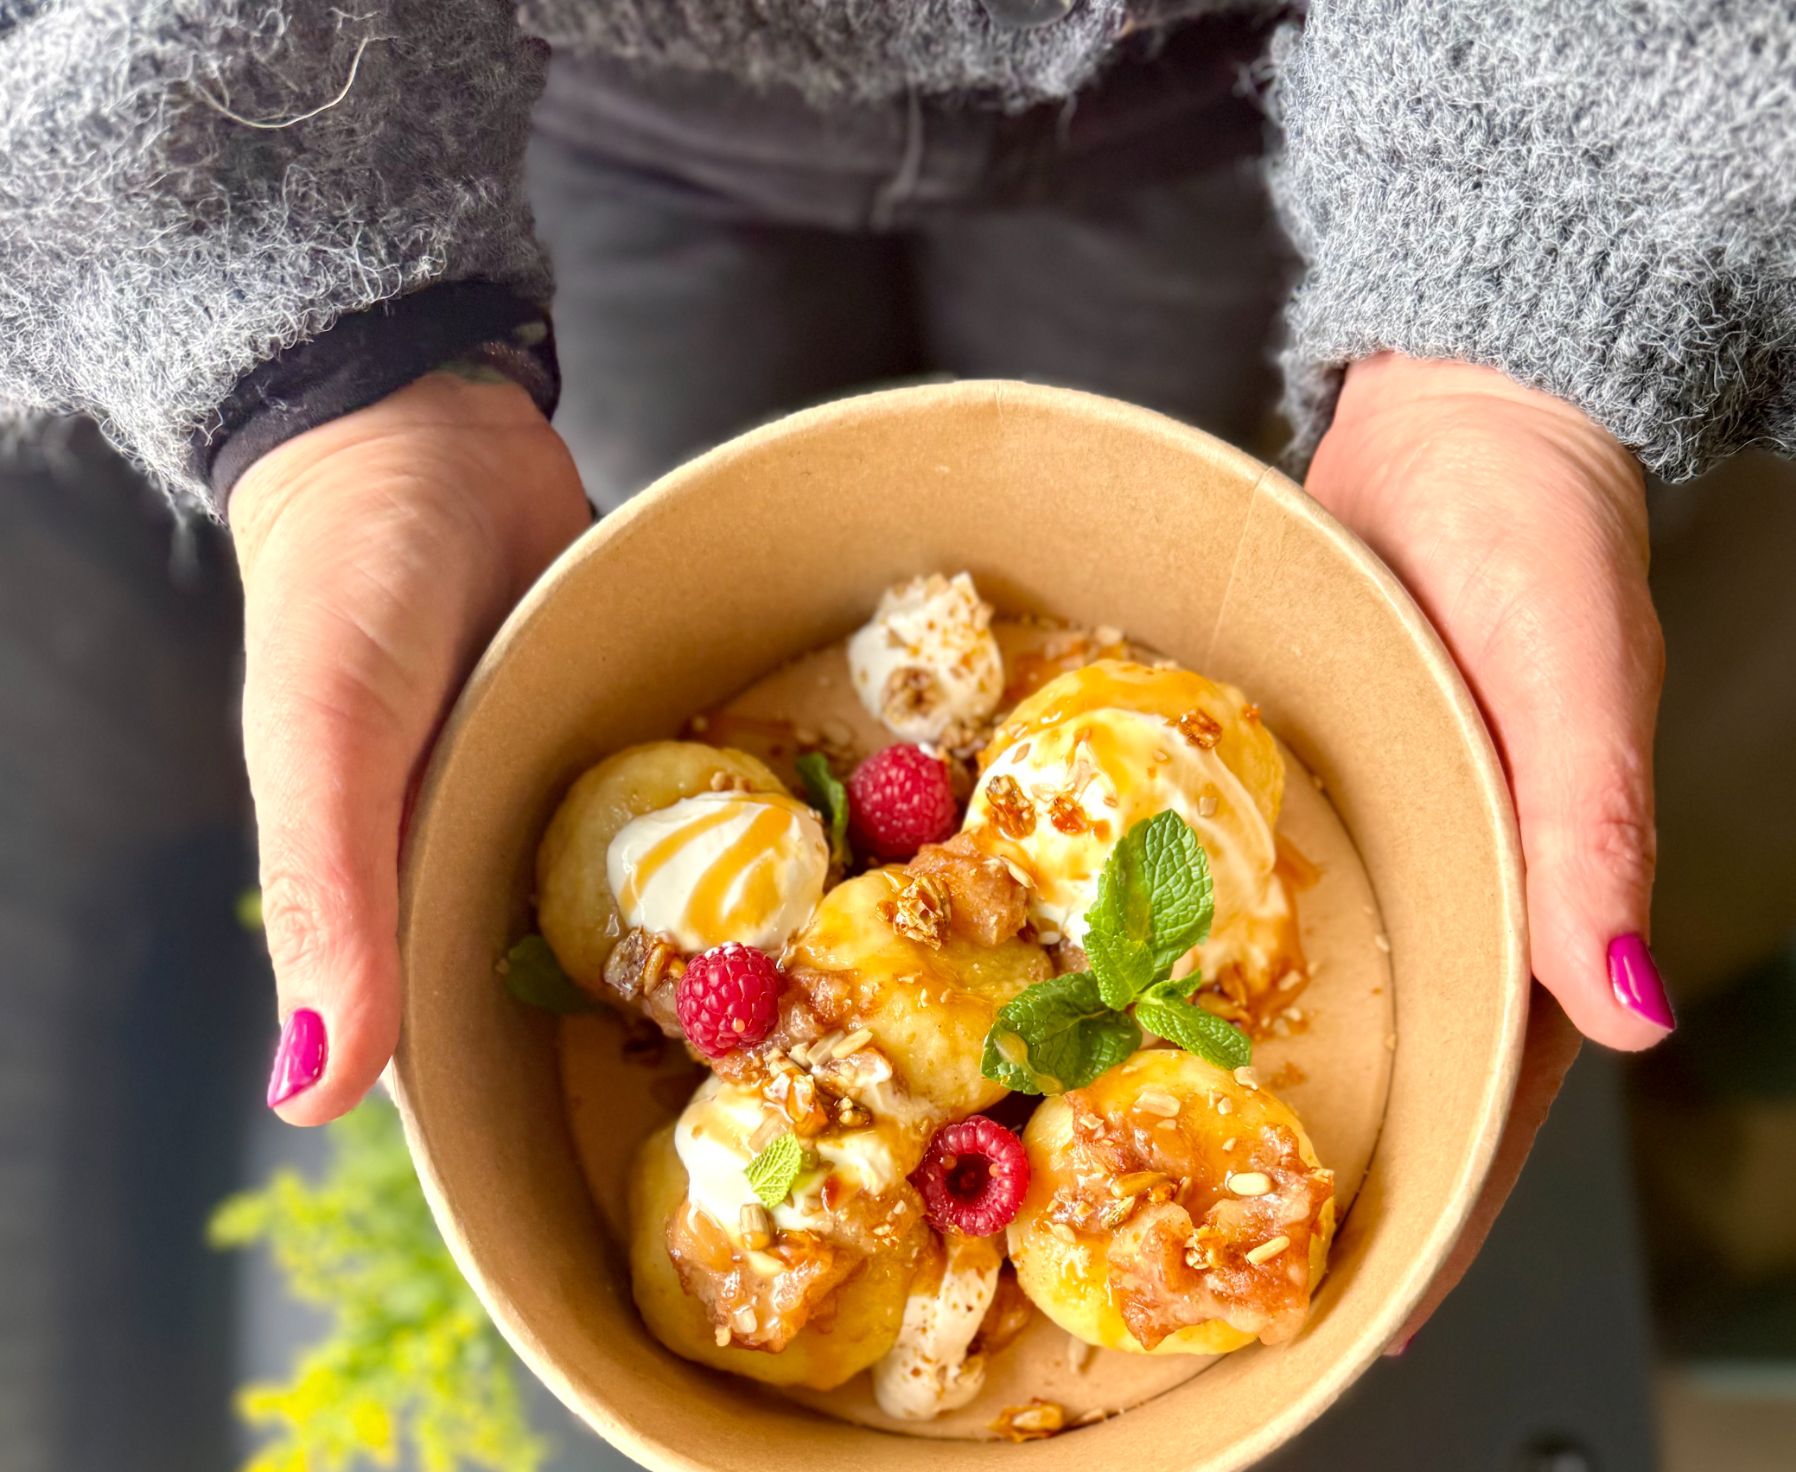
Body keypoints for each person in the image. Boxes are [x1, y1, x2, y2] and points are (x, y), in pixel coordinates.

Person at [5, 4, 1791, 1160]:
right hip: (578, 100)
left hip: (1242, 89)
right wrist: (309, 328)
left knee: (1142, 473)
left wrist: (1551, 232)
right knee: (684, 505)